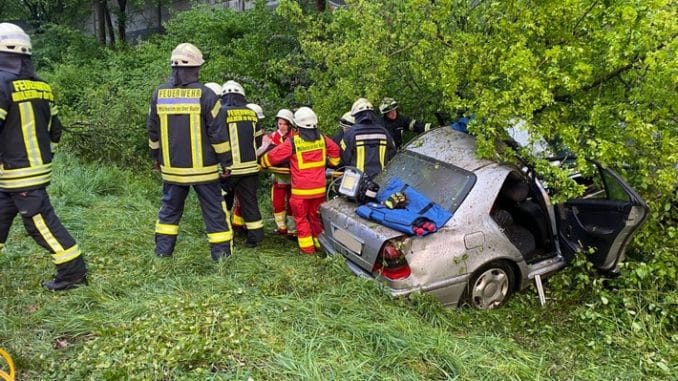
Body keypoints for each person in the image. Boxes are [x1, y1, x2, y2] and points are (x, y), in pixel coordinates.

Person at [0, 23, 87, 290]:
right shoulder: (42, 86)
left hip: (16, 171)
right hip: (30, 168)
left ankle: (73, 274)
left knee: (41, 225)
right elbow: (56, 131)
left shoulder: (1, 83)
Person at [147, 42, 233, 261]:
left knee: (169, 212)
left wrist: (156, 157)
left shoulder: (159, 94)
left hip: (172, 170)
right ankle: (221, 258)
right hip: (204, 171)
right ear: (195, 68)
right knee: (214, 212)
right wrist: (226, 162)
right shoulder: (206, 95)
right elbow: (218, 134)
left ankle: (162, 254)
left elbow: (152, 132)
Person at [260, 107, 340, 254]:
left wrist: (262, 162)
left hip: (300, 192)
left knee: (301, 219)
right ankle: (319, 244)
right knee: (315, 218)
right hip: (319, 190)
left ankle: (307, 249)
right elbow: (335, 151)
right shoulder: (322, 138)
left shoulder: (294, 142)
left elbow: (273, 156)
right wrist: (331, 163)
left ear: (297, 126)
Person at [219, 80, 264, 247]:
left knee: (223, 204)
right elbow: (259, 141)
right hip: (250, 169)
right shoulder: (252, 114)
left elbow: (216, 140)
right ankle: (255, 239)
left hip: (227, 170)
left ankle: (225, 237)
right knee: (250, 203)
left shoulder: (220, 113)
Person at [258, 109, 296, 236]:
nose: (282, 127)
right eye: (280, 124)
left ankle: (292, 228)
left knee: (292, 202)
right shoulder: (272, 136)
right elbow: (263, 149)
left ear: (290, 124)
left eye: (285, 124)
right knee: (277, 202)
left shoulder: (296, 136)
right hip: (279, 177)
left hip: (293, 177)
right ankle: (281, 227)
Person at [340, 98, 396, 179]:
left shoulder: (351, 133)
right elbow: (393, 152)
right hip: (381, 179)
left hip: (358, 182)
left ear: (356, 116)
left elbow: (344, 157)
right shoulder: (383, 132)